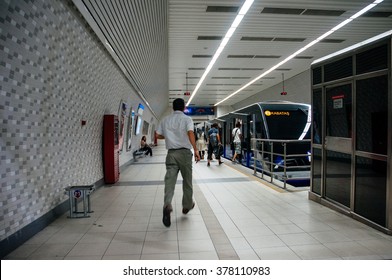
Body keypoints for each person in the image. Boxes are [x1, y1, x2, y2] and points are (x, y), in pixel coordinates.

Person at [156, 98, 200, 227]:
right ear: (184, 107)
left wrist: (169, 136)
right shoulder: (187, 119)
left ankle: (167, 204)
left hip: (171, 154)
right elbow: (190, 133)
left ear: (173, 108)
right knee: (187, 181)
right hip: (185, 154)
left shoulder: (165, 120)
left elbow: (157, 135)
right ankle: (186, 205)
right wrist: (196, 149)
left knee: (169, 181)